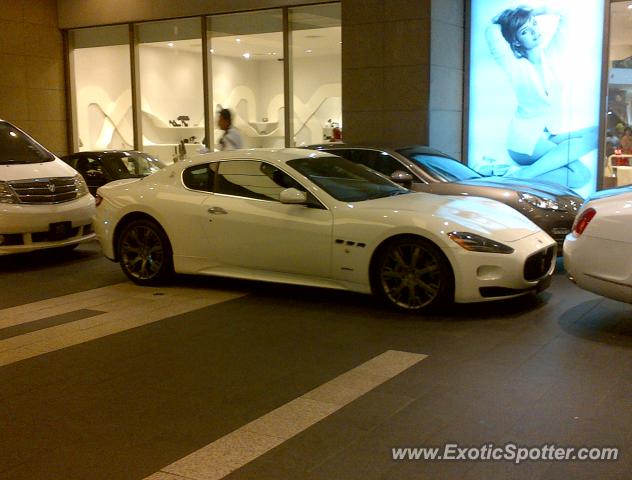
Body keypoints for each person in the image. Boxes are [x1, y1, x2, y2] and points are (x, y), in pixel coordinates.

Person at [486, 5, 596, 188]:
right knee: (581, 175)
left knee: (598, 133)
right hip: (524, 140)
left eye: (534, 25)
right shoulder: (514, 65)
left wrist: (532, 12)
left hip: (549, 135)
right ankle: (523, 174)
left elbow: (566, 12)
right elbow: (491, 30)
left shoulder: (551, 56)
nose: (535, 32)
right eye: (525, 32)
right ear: (516, 40)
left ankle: (518, 174)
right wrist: (509, 18)